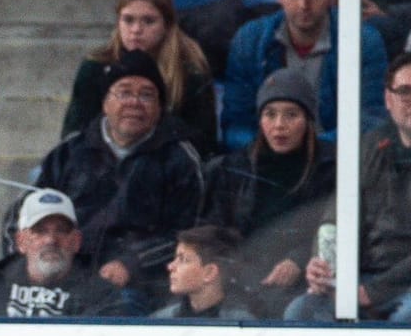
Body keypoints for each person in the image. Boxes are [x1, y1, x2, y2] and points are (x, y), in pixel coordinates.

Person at [34, 49, 205, 305]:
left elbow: (190, 234)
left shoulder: (180, 159)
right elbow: (26, 215)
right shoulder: (68, 153)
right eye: (124, 92)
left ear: (160, 108)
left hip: (142, 286)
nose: (134, 102)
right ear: (105, 102)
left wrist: (132, 263)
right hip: (66, 275)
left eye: (146, 95)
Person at [198, 69, 334, 317]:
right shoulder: (233, 168)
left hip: (306, 283)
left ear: (308, 119)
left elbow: (333, 228)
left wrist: (298, 260)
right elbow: (214, 232)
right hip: (242, 282)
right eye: (270, 115)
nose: (279, 125)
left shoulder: (330, 167)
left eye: (291, 115)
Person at [221, 0, 384, 152]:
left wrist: (312, 150)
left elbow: (372, 120)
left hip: (337, 159)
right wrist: (271, 150)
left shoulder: (363, 40)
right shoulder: (250, 39)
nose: (304, 3)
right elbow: (236, 124)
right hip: (271, 160)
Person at [289, 51, 411, 320]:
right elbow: (335, 217)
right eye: (405, 91)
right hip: (362, 276)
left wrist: (374, 291)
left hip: (403, 285)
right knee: (302, 311)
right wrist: (321, 264)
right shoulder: (368, 147)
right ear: (388, 100)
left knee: (405, 318)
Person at [61, 0, 219, 157]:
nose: (136, 30)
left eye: (148, 21)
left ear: (166, 25)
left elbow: (203, 142)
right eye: (128, 20)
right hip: (101, 162)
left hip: (167, 166)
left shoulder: (190, 70)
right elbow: (73, 134)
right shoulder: (95, 66)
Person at [0, 188, 126, 319]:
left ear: (76, 241)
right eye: (40, 231)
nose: (51, 240)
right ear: (21, 242)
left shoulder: (101, 297)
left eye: (61, 230)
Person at [151, 225, 256, 318]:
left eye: (183, 260)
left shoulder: (243, 324)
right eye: (175, 259)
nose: (170, 266)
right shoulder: (162, 319)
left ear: (209, 272)